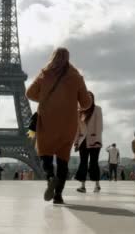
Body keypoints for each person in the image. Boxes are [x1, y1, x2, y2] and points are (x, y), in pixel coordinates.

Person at [26, 47, 91, 205]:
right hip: (67, 124)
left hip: (47, 121)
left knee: (45, 155)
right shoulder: (76, 77)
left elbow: (29, 93)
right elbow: (86, 103)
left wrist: (44, 99)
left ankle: (50, 177)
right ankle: (58, 196)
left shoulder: (45, 74)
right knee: (63, 160)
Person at [73, 91, 103, 193]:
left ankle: (97, 184)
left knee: (93, 163)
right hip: (83, 141)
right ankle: (82, 186)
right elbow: (77, 129)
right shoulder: (79, 111)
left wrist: (97, 140)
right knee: (83, 163)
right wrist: (76, 142)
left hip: (94, 141)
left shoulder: (97, 109)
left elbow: (99, 126)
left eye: (90, 97)